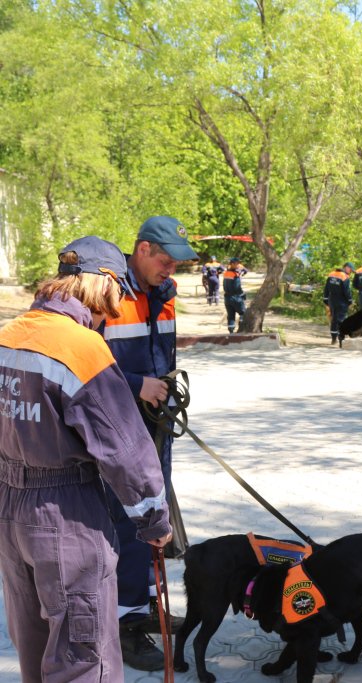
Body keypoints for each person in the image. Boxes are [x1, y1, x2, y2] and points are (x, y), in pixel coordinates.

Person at [0, 236, 172, 682]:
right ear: (104, 285)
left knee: (35, 647)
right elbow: (126, 449)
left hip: (9, 515)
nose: (106, 318)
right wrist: (154, 521)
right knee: (83, 657)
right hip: (67, 515)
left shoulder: (8, 335)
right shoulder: (81, 348)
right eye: (109, 306)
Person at [101, 215, 197, 670]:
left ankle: (148, 607)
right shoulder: (108, 294)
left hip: (155, 425)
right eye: (164, 260)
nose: (170, 269)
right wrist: (138, 383)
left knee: (155, 516)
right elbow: (82, 364)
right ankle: (125, 622)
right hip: (118, 427)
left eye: (176, 263)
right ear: (141, 249)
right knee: (129, 522)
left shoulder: (163, 295)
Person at [323, 262, 354, 345]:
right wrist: (350, 300)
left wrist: (325, 298)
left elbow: (326, 288)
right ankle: (341, 338)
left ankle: (334, 338)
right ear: (346, 267)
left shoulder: (331, 274)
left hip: (332, 300)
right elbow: (346, 291)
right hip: (341, 301)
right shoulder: (344, 277)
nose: (350, 272)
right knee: (341, 320)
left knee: (334, 319)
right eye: (350, 270)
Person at [223, 257, 248, 334]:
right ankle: (241, 330)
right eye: (237, 263)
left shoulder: (226, 273)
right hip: (236, 298)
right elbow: (237, 287)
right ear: (232, 264)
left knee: (231, 316)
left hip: (227, 298)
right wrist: (242, 294)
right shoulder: (235, 274)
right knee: (243, 313)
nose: (238, 265)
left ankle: (231, 332)